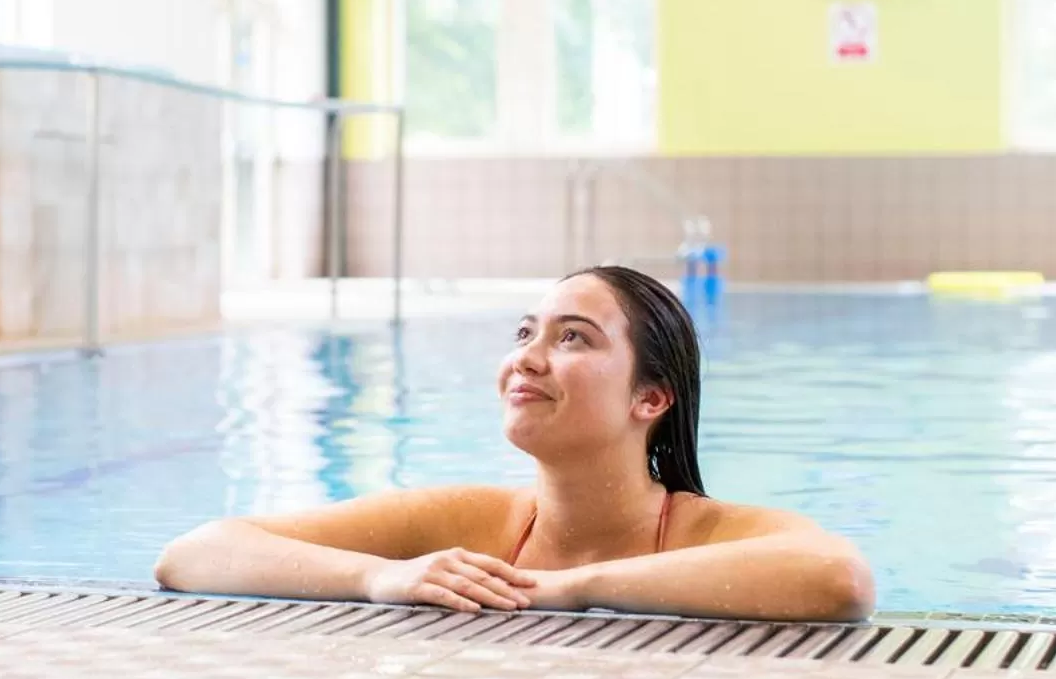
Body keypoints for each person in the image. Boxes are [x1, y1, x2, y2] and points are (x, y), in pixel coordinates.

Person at [155, 265, 874, 622]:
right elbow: (194, 552)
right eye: (526, 332)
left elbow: (840, 579)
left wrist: (578, 589)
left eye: (572, 339)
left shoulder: (707, 533)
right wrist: (380, 578)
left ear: (649, 398)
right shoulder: (467, 523)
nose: (526, 358)